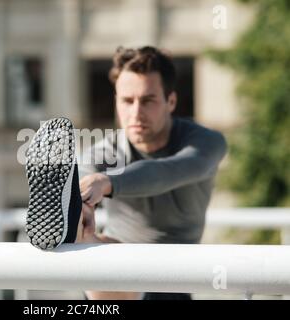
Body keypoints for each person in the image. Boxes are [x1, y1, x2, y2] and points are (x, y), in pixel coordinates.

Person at [76, 46, 228, 300]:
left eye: (147, 100)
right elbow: (83, 178)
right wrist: (81, 209)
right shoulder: (101, 152)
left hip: (174, 279)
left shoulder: (205, 143)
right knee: (89, 242)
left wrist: (107, 182)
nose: (135, 113)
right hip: (114, 270)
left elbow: (168, 171)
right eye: (127, 101)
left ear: (171, 101)